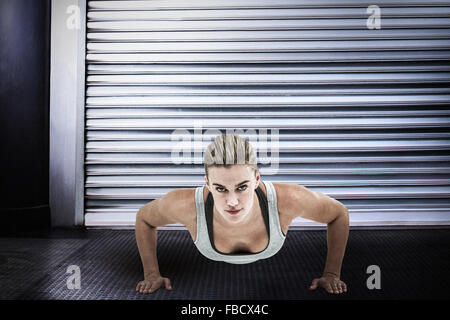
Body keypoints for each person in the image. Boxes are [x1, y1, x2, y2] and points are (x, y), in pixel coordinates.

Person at [135, 134, 349, 295]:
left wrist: (332, 274)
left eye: (242, 187)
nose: (232, 201)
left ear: (257, 179)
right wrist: (151, 273)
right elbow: (144, 218)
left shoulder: (288, 199)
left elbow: (338, 213)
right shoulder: (184, 205)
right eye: (220, 189)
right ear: (207, 183)